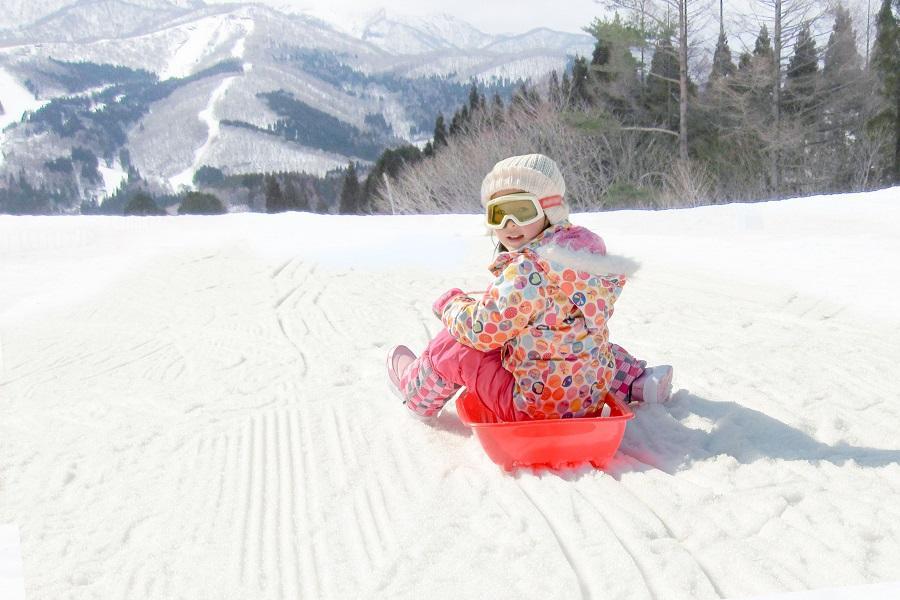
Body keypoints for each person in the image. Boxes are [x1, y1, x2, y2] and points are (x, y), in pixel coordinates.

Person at [386, 153, 672, 421]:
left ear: (549, 209)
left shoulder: (528, 269)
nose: (509, 224)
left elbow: (483, 331)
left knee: (453, 345)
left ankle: (415, 392)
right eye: (498, 214)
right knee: (575, 341)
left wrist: (452, 305)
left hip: (533, 408)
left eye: (521, 210)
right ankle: (637, 381)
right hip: (589, 399)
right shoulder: (585, 259)